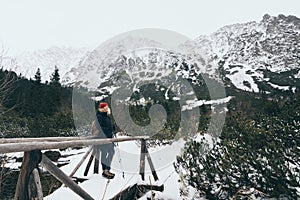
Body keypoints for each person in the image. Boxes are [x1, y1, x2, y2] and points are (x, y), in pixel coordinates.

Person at [95, 102, 115, 179]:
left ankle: (107, 169)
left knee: (111, 152)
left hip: (109, 138)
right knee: (104, 153)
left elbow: (107, 125)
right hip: (102, 138)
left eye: (107, 107)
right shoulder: (99, 116)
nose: (106, 109)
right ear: (102, 108)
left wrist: (112, 127)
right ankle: (105, 170)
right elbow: (100, 127)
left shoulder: (106, 116)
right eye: (105, 108)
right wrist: (108, 130)